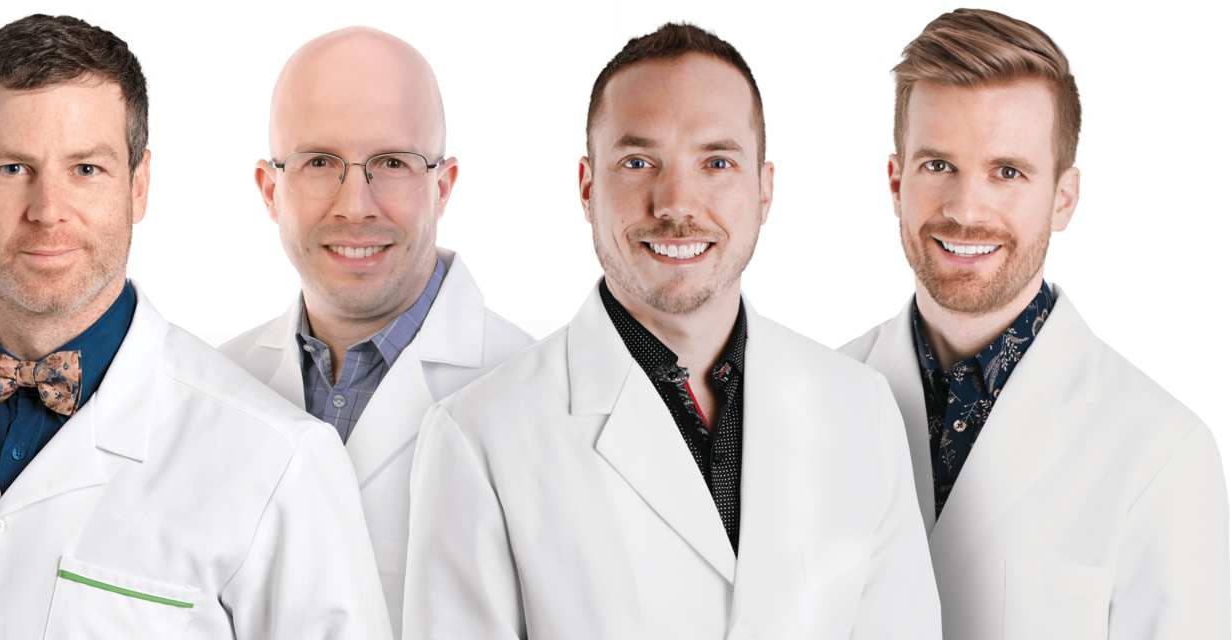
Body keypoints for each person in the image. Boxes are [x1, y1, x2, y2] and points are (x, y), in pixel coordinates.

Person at [0, 13, 390, 639]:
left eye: (85, 169)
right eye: (12, 168)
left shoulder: (279, 460)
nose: (48, 211)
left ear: (139, 188)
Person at [401, 18, 940, 639]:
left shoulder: (862, 409)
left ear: (764, 191)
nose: (676, 203)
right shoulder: (477, 436)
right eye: (638, 162)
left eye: (716, 162)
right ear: (587, 188)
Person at [837, 7, 1230, 639]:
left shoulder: (1162, 453)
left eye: (1008, 172)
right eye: (938, 165)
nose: (967, 210)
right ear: (896, 183)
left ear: (1063, 199)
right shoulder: (806, 404)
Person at [215, 25, 537, 638]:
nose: (355, 206)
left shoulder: (541, 396)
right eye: (319, 162)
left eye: (391, 163)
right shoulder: (211, 389)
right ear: (270, 191)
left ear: (442, 187)